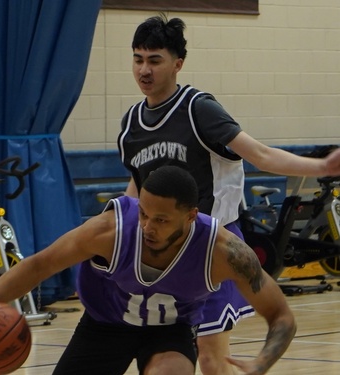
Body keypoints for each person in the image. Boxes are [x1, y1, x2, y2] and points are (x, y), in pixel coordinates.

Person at [117, 14, 340, 375]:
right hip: (160, 250)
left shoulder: (198, 109)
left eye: (154, 60)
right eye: (138, 58)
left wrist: (322, 168)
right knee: (164, 358)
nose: (144, 69)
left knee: (210, 359)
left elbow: (261, 155)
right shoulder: (131, 124)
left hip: (211, 245)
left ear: (178, 63)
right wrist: (114, 231)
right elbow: (137, 188)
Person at [0, 165, 296, 375]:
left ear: (190, 216)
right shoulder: (110, 230)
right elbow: (39, 265)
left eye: (161, 219)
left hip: (169, 331)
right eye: (144, 213)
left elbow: (281, 315)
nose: (147, 226)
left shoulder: (222, 250)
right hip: (104, 325)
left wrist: (264, 361)